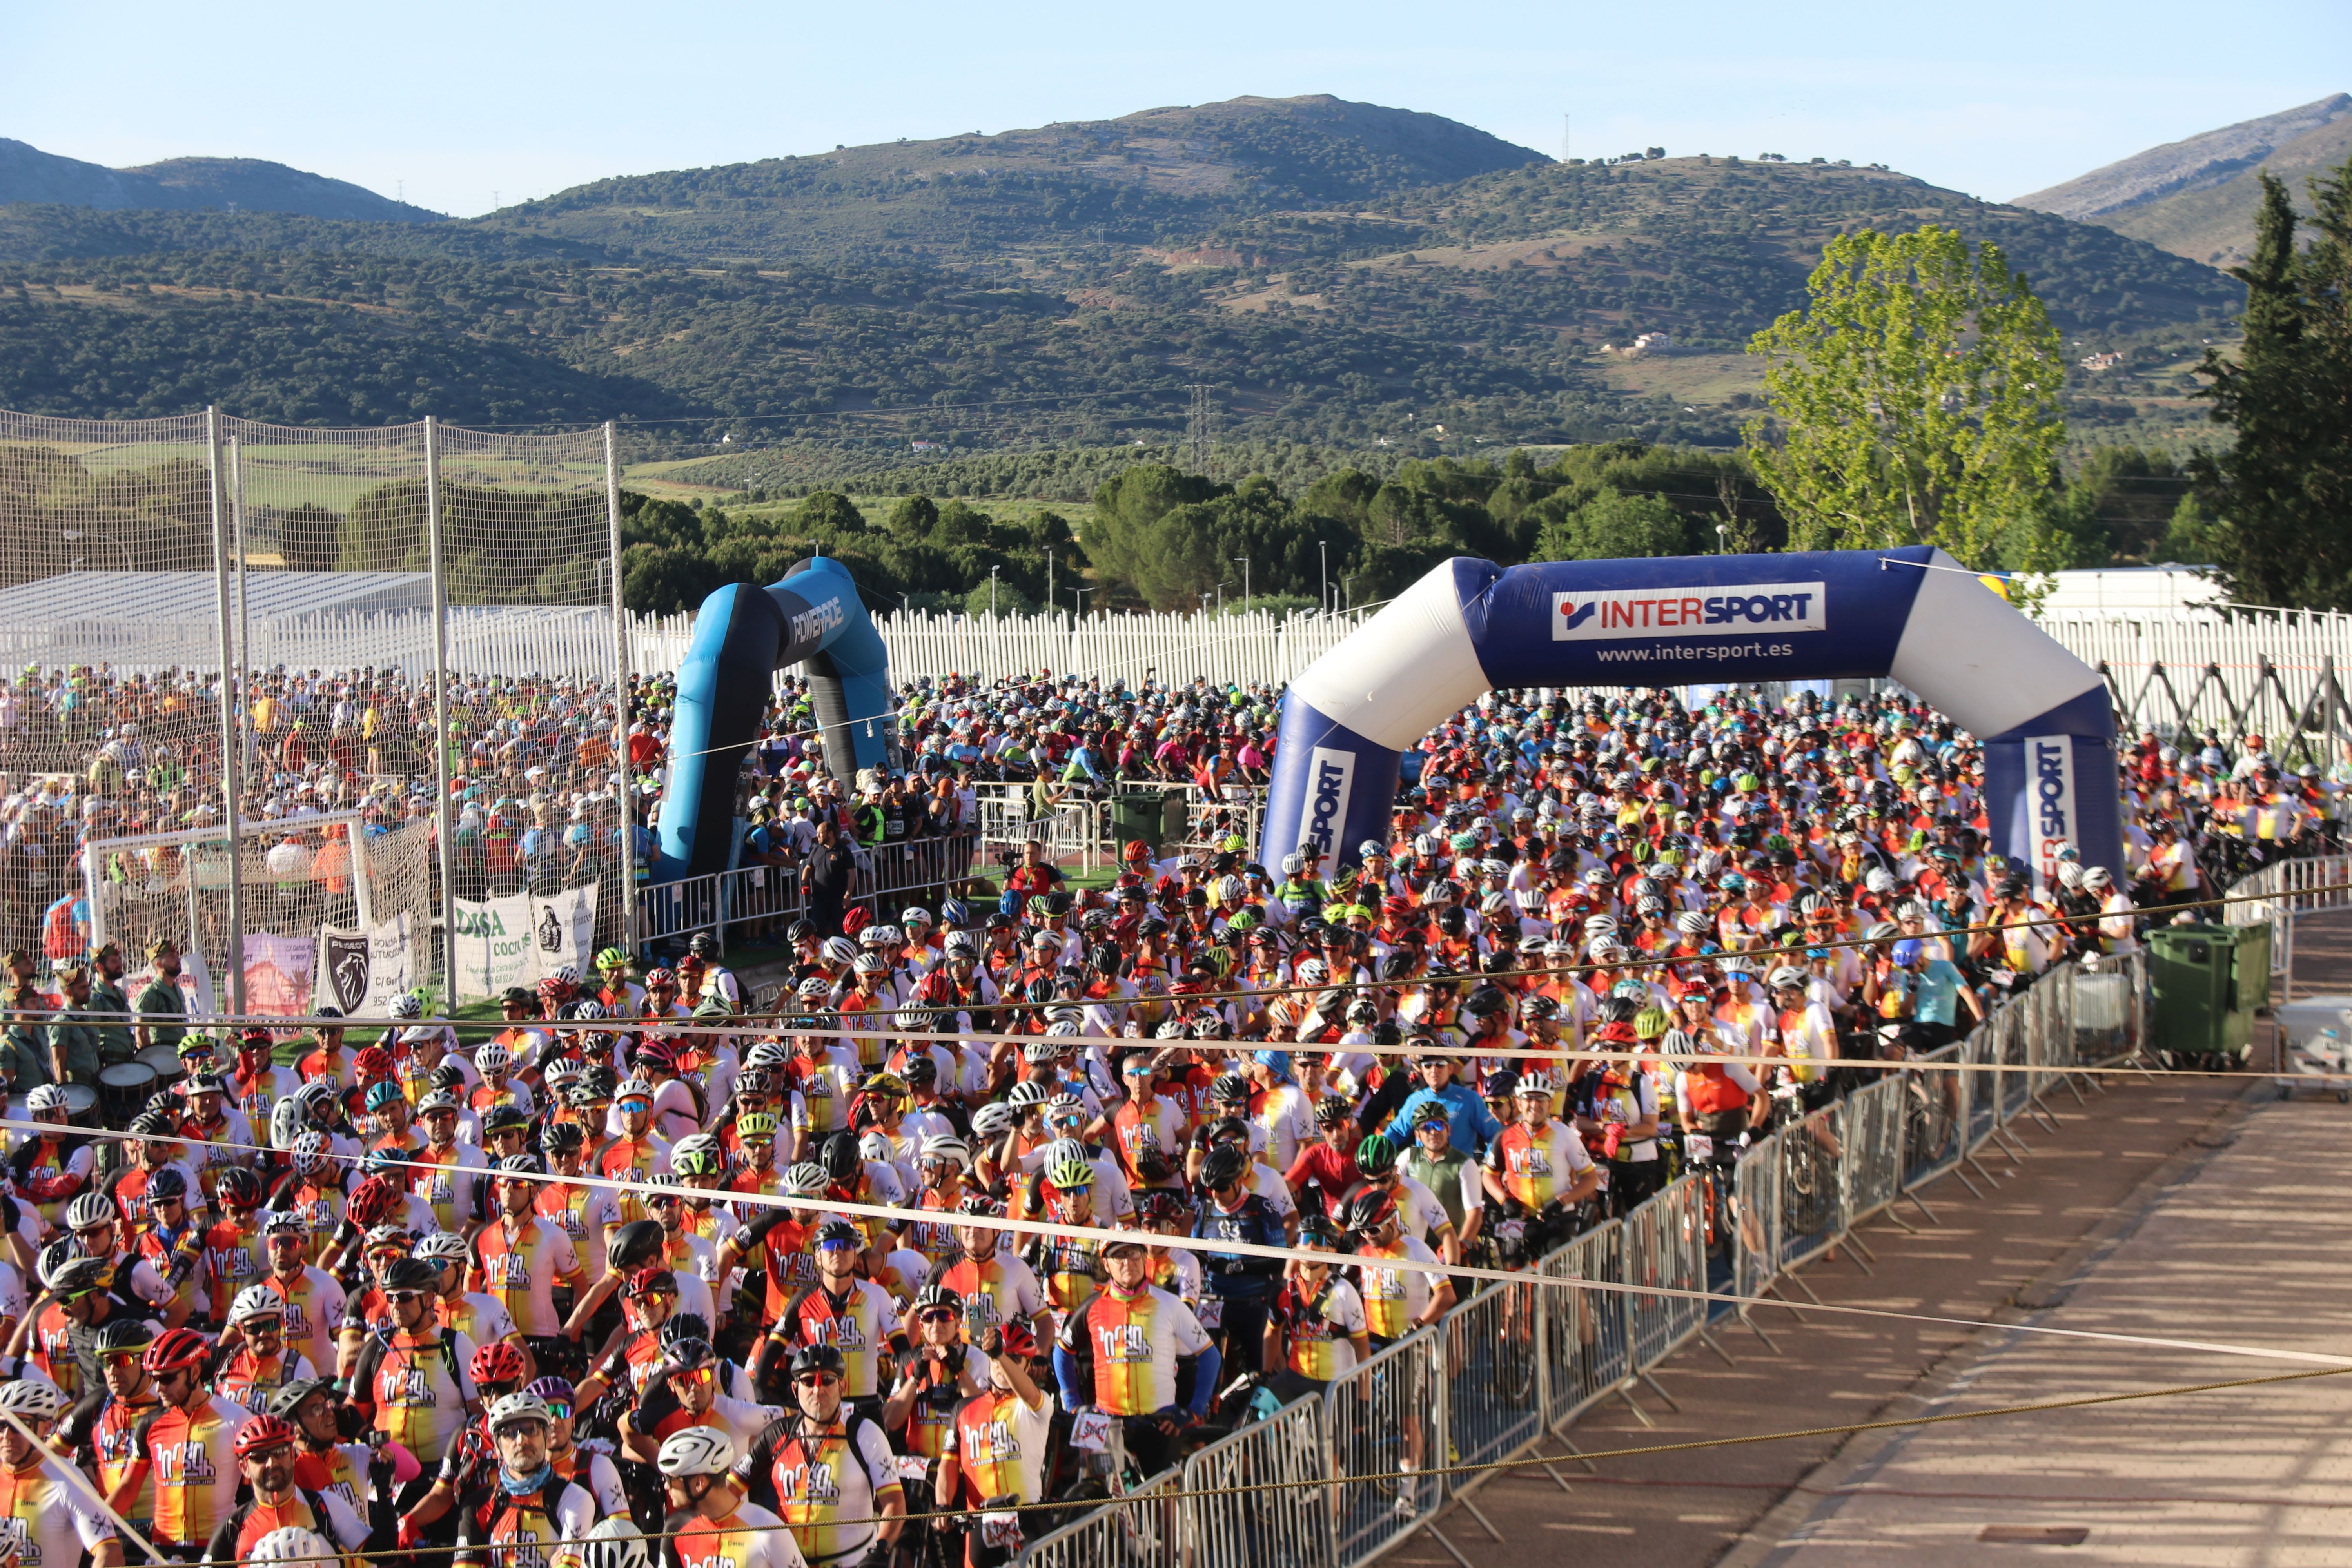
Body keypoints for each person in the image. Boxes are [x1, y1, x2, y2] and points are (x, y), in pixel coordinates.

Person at [1052, 1232, 1219, 1478]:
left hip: (1159, 1421)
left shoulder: (1170, 1304)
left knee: (1162, 1495)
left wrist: (1193, 1410)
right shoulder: (1092, 1306)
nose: (1128, 1262)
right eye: (1119, 1256)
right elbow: (1062, 1353)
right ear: (1106, 1264)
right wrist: (1073, 1403)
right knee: (1097, 1491)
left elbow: (1210, 1356)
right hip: (1107, 1420)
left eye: (1133, 1254)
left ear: (1144, 1258)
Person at [733, 1344, 902, 1568]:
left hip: (852, 1563)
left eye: (828, 1380)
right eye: (809, 1381)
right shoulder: (778, 1434)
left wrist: (881, 1549)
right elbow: (729, 1492)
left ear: (843, 1386)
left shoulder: (865, 1434)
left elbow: (895, 1503)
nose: (818, 1389)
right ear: (795, 1390)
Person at [103, 1326, 255, 1563]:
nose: (159, 1388)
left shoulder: (237, 1419)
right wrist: (96, 1531)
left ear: (195, 1373)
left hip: (218, 1547)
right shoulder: (150, 1423)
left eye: (167, 1379)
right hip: (163, 1548)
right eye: (155, 1379)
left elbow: (255, 1492)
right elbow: (128, 1488)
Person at [935, 1317, 1054, 1568]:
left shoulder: (1036, 1403)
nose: (1002, 1366)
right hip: (981, 1520)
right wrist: (943, 1503)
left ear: (1028, 1365)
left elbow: (1029, 1393)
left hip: (1026, 1516)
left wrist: (999, 1353)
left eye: (1014, 1359)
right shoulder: (964, 1408)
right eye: (996, 1359)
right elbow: (948, 1464)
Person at [200, 1412, 374, 1564]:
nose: (272, 1463)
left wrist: (384, 1489)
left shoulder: (324, 1506)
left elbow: (381, 1554)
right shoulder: (233, 1527)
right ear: (244, 1468)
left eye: (280, 1452)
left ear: (292, 1456)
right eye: (259, 1457)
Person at [450, 1393, 598, 1568]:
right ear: (497, 1446)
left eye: (532, 1430)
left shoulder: (576, 1499)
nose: (521, 1440)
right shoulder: (475, 1506)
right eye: (510, 1433)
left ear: (547, 1437)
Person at [0, 1379, 124, 1568]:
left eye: (21, 1425)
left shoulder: (68, 1480)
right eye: (2, 1426)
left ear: (47, 1428)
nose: (7, 1436)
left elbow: (110, 1554)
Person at [662, 1427, 806, 1568]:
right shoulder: (676, 1527)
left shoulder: (769, 1531)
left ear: (699, 1484)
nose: (666, 1486)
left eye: (670, 1479)